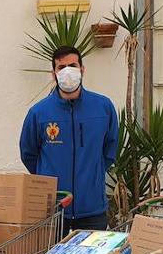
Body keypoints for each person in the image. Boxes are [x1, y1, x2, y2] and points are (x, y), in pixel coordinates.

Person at [19, 45, 119, 232]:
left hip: (92, 209)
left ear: (82, 69)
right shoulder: (39, 113)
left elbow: (110, 149)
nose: (67, 72)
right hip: (55, 209)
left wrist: (93, 174)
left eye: (72, 65)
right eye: (61, 67)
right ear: (53, 74)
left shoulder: (103, 107)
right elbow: (28, 154)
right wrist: (48, 179)